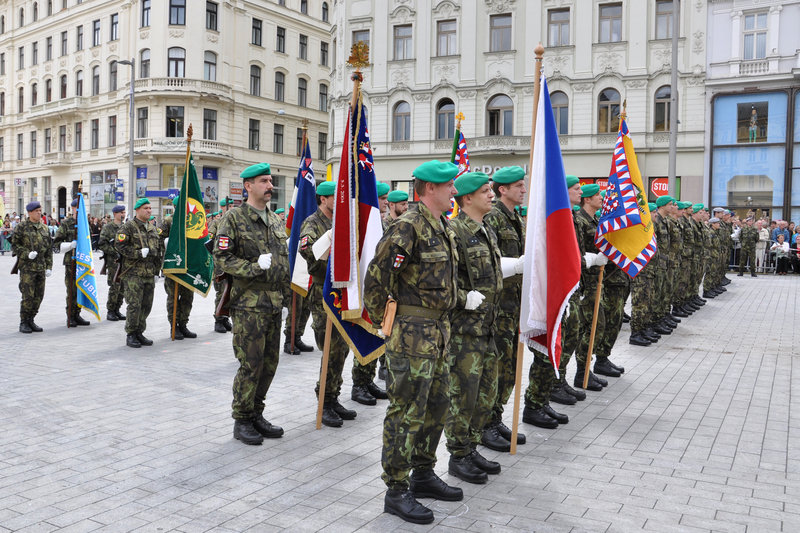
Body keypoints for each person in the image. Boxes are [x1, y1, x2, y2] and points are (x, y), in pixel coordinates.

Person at [364, 160, 462, 525]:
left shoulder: (441, 225)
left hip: (438, 334)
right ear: (430, 189)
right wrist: (390, 326)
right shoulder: (408, 227)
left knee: (437, 406)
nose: (455, 190)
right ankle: (396, 489)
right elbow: (376, 280)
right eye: (449, 185)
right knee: (406, 413)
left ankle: (422, 472)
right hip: (411, 337)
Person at [213, 163, 289, 445]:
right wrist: (253, 267)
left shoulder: (275, 220)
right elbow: (222, 258)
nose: (270, 186)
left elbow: (284, 262)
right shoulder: (234, 218)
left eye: (270, 181)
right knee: (251, 364)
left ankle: (257, 412)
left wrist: (287, 298)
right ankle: (242, 419)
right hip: (248, 305)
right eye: (264, 181)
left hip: (272, 303)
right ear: (248, 186)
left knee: (270, 363)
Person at [444, 171, 505, 484]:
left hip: (487, 328)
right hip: (464, 332)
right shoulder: (454, 232)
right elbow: (443, 283)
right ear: (466, 198)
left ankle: (470, 446)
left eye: (491, 190)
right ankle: (458, 453)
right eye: (485, 191)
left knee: (485, 394)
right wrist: (462, 297)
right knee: (463, 396)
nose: (491, 195)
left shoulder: (486, 231)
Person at [298, 180, 364, 423]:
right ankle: (324, 400)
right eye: (333, 197)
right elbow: (307, 250)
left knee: (342, 347)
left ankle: (333, 396)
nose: (338, 201)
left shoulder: (341, 222)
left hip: (342, 291)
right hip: (323, 291)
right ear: (323, 199)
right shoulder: (313, 223)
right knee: (330, 349)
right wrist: (329, 250)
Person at [481, 165, 528, 450]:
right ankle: (486, 423)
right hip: (498, 306)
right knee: (496, 368)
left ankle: (496, 417)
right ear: (503, 190)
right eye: (518, 186)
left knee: (509, 368)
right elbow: (491, 263)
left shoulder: (515, 218)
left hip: (515, 304)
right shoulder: (494, 218)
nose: (523, 190)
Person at [350, 180, 392, 405]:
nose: (386, 203)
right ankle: (358, 385)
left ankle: (367, 381)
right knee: (365, 334)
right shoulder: (364, 222)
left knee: (376, 335)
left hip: (381, 291)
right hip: (367, 291)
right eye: (383, 199)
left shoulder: (382, 224)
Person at [116, 198, 164, 348]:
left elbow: (158, 252)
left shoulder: (153, 229)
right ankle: (131, 333)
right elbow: (119, 246)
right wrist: (137, 253)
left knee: (146, 305)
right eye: (145, 208)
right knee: (134, 304)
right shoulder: (128, 227)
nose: (149, 210)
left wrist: (157, 272)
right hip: (133, 274)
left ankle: (139, 332)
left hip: (149, 273)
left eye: (150, 208)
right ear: (137, 210)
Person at [12, 202, 53, 333]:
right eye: (36, 211)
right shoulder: (21, 227)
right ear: (29, 212)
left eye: (40, 210)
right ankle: (24, 321)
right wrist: (26, 254)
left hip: (41, 268)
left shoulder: (45, 228)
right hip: (27, 268)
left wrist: (49, 267)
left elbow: (48, 250)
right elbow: (14, 245)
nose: (39, 213)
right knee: (28, 296)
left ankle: (31, 319)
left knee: (39, 296)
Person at [160, 196, 197, 340]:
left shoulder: (191, 220)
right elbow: (159, 239)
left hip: (189, 265)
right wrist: (167, 244)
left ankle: (183, 324)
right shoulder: (169, 220)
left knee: (188, 296)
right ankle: (173, 326)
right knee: (173, 297)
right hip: (174, 264)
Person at [53, 198, 90, 327]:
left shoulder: (85, 224)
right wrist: (69, 245)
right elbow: (56, 244)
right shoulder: (66, 223)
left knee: (81, 289)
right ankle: (70, 315)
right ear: (73, 209)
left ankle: (77, 314)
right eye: (77, 208)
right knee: (72, 290)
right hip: (71, 262)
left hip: (83, 261)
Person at [97, 205, 127, 321]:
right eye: (121, 212)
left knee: (123, 287)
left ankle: (117, 309)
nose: (123, 215)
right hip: (113, 262)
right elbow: (102, 243)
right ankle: (110, 310)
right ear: (115, 214)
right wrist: (114, 252)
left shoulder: (125, 227)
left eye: (124, 212)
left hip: (124, 262)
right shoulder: (108, 227)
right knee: (115, 286)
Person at [209, 197, 234, 333]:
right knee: (221, 293)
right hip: (220, 265)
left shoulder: (235, 221)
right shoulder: (216, 222)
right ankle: (218, 319)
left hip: (232, 263)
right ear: (223, 208)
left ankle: (225, 318)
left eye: (232, 206)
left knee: (230, 292)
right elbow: (209, 241)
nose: (231, 209)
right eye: (228, 206)